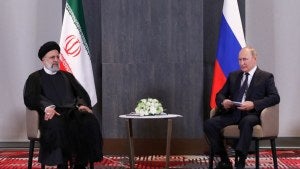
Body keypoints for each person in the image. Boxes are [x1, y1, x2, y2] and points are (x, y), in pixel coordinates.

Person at [23, 41, 103, 169]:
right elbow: (31, 98)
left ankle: (80, 164)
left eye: (57, 56)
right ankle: (62, 164)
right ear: (43, 59)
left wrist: (82, 104)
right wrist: (47, 107)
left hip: (72, 112)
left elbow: (81, 94)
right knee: (58, 124)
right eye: (52, 57)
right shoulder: (34, 77)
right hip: (52, 115)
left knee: (89, 121)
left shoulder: (67, 76)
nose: (56, 60)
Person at [204, 46, 280, 169]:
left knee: (246, 122)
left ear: (254, 59)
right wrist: (224, 102)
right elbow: (220, 94)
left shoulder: (266, 77)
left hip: (252, 114)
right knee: (209, 124)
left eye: (245, 59)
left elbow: (275, 97)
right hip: (233, 113)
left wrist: (254, 104)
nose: (242, 63)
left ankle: (241, 160)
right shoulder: (234, 76)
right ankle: (224, 160)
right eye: (240, 60)